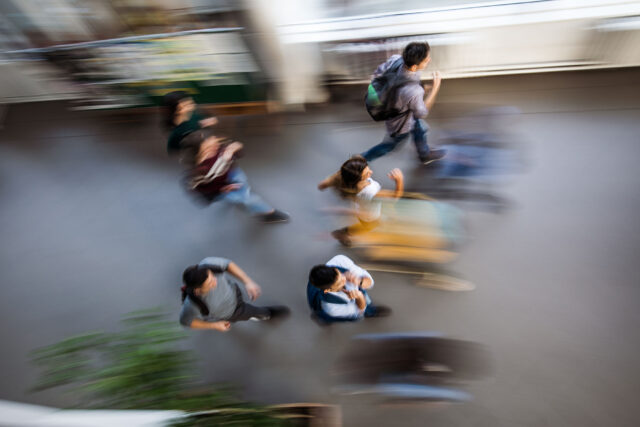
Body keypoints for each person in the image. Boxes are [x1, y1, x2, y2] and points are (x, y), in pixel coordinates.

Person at [361, 42, 446, 165]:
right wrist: (435, 89)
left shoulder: (396, 60)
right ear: (414, 67)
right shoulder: (413, 91)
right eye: (426, 59)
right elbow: (422, 112)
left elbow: (377, 75)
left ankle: (424, 154)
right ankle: (362, 159)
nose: (429, 60)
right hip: (400, 123)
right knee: (390, 145)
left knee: (419, 129)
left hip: (402, 108)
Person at [182, 128, 290, 223]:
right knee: (250, 199)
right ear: (197, 155)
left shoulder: (218, 149)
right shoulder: (200, 171)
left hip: (232, 174)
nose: (215, 149)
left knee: (242, 184)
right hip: (220, 188)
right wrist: (222, 189)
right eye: (208, 149)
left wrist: (237, 149)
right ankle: (268, 214)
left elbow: (238, 154)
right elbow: (205, 181)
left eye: (214, 144)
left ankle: (242, 194)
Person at [180, 257, 289, 331]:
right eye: (210, 283)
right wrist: (215, 325)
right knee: (254, 312)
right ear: (197, 290)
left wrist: (248, 282)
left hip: (234, 292)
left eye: (212, 276)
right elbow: (185, 321)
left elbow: (228, 265)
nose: (215, 281)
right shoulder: (192, 304)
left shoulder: (208, 264)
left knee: (246, 302)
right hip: (232, 312)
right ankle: (265, 315)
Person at [318, 155, 403, 246]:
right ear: (358, 178)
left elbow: (322, 185)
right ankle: (343, 233)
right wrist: (399, 180)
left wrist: (324, 186)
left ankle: (344, 232)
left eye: (368, 169)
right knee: (369, 226)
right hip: (370, 216)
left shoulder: (343, 176)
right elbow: (395, 198)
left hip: (361, 207)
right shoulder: (370, 191)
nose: (371, 172)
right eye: (367, 174)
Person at [307, 255, 390, 323]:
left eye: (341, 275)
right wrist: (359, 297)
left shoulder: (339, 261)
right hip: (336, 312)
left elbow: (370, 282)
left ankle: (322, 317)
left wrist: (359, 281)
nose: (345, 279)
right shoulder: (331, 308)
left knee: (367, 302)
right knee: (328, 317)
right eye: (339, 283)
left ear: (334, 269)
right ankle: (324, 319)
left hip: (353, 298)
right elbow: (359, 312)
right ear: (328, 290)